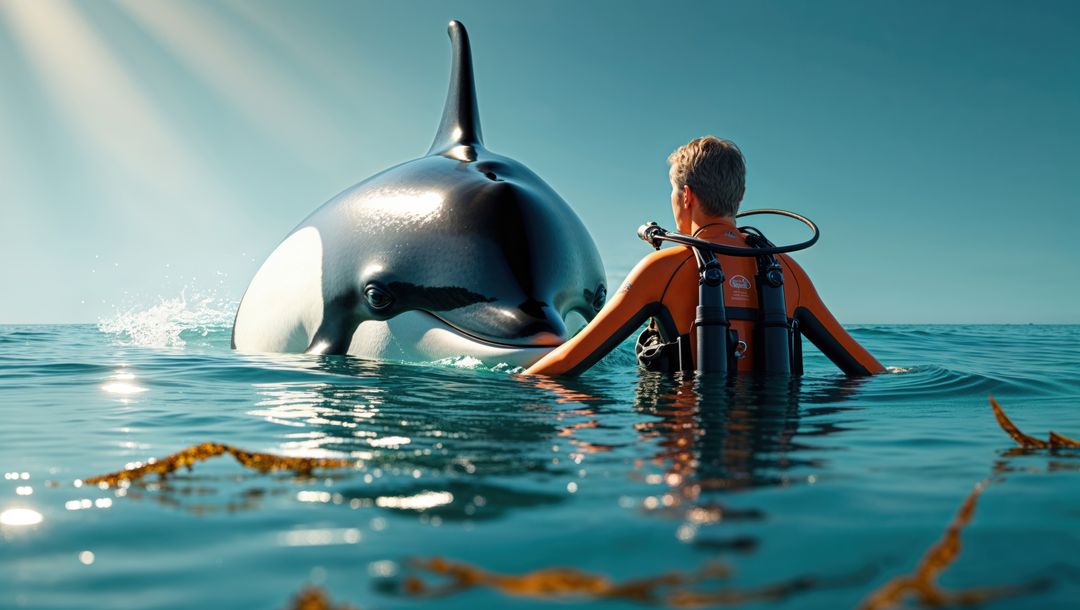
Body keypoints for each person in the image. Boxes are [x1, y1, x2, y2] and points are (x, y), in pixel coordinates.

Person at [525, 136, 884, 377]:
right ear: (737, 198)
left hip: (687, 461)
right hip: (770, 461)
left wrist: (517, 381)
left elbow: (567, 362)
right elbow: (868, 372)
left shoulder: (662, 268)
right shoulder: (788, 272)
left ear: (687, 197)